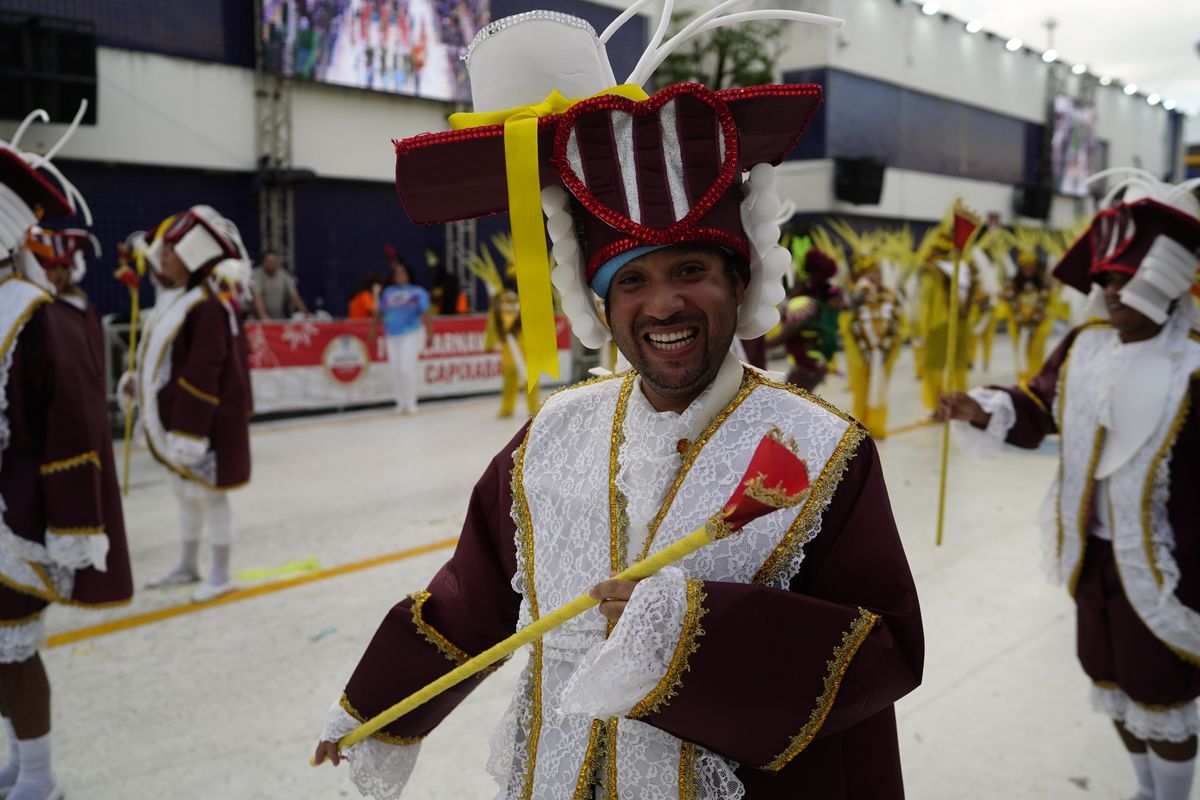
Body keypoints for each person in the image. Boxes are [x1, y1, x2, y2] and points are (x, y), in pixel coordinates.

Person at [314, 8, 922, 799]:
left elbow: (885, 653)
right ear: (599, 306)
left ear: (741, 281)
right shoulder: (555, 435)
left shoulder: (823, 451)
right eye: (631, 281)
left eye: (692, 271)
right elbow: (470, 595)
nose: (663, 304)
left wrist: (686, 634)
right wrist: (375, 707)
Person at [937, 170, 1200, 800]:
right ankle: (1145, 789)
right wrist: (980, 408)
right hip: (1093, 554)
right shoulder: (1086, 347)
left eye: (1123, 278)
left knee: (1162, 695)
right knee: (1111, 684)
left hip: (1173, 568)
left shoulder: (1193, 364)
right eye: (1104, 278)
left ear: (1165, 283)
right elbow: (1039, 404)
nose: (1107, 291)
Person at [0, 110, 133, 800]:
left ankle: (42, 778)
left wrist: (71, 528)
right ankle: (20, 762)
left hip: (13, 523)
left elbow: (73, 428)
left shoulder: (36, 313)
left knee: (12, 652)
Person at [128, 206, 254, 603]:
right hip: (176, 419)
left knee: (209, 496)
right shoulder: (176, 300)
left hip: (202, 425)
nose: (159, 258)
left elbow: (204, 370)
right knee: (183, 493)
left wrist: (190, 431)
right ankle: (188, 563)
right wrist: (138, 382)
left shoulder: (208, 306)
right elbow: (161, 355)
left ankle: (220, 571)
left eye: (168, 252)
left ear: (191, 259)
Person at [375, 251, 431, 414]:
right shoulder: (387, 292)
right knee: (395, 369)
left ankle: (411, 401)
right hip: (391, 334)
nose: (399, 276)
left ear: (408, 274)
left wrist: (430, 334)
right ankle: (400, 402)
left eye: (402, 273)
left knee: (407, 368)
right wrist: (373, 330)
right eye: (396, 274)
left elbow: (426, 313)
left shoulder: (417, 292)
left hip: (410, 333)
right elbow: (380, 312)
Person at [251, 249, 309, 320]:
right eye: (268, 261)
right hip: (257, 319)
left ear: (277, 261)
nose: (271, 263)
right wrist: (264, 317)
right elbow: (257, 296)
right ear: (263, 262)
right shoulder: (257, 274)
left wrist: (306, 313)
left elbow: (294, 296)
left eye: (274, 261)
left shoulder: (284, 275)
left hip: (277, 318)